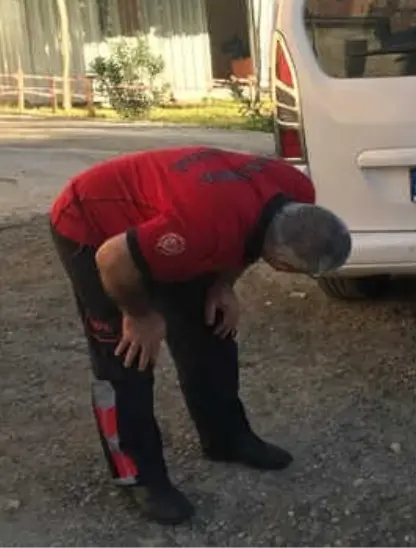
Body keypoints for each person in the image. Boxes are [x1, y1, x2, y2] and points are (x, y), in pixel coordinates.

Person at [49, 147, 352, 524]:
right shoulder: (200, 226)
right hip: (92, 222)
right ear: (281, 264)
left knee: (211, 324)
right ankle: (139, 476)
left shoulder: (297, 190)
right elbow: (113, 258)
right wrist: (139, 315)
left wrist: (224, 285)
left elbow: (251, 236)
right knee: (126, 356)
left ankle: (226, 438)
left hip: (170, 216)